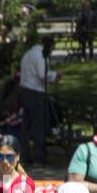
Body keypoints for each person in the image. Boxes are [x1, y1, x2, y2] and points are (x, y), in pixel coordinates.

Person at [17, 35, 59, 165]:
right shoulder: (41, 56)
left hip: (25, 91)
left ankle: (24, 156)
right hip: (36, 93)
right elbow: (42, 74)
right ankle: (38, 158)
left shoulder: (28, 53)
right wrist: (55, 75)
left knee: (26, 126)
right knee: (38, 127)